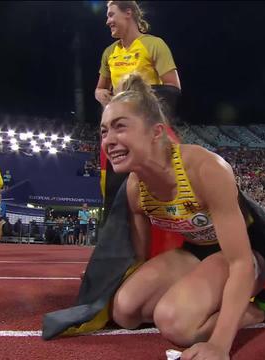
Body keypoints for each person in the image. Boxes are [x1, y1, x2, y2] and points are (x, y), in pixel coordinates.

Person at [43, 74, 265, 359]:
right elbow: (139, 258)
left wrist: (218, 345)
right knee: (125, 312)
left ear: (156, 132)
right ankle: (195, 301)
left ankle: (256, 310)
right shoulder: (135, 189)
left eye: (120, 127)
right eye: (103, 132)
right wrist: (103, 280)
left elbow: (240, 262)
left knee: (175, 324)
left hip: (245, 258)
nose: (108, 141)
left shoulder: (204, 169)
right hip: (193, 253)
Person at [96, 1, 181, 221]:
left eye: (111, 15)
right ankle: (116, 246)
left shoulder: (154, 45)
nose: (108, 21)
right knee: (115, 192)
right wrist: (101, 94)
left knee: (150, 189)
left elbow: (173, 87)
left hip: (148, 132)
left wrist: (134, 96)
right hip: (119, 131)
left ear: (128, 13)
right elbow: (100, 88)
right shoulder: (109, 53)